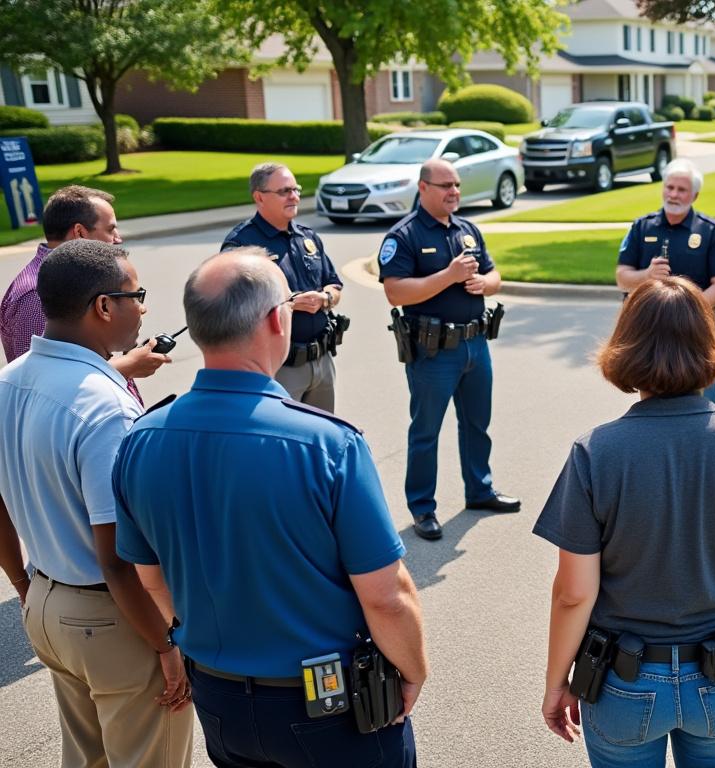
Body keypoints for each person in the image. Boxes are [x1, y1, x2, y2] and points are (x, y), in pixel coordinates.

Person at [113, 249, 427, 767]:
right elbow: (387, 596)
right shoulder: (326, 444)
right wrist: (412, 669)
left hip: (219, 698)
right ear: (277, 320)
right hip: (329, 701)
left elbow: (152, 580)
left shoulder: (140, 440)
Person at [536, 277, 715, 768]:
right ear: (708, 343)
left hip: (622, 679)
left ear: (626, 347)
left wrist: (556, 682)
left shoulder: (595, 452)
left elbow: (573, 593)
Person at [0, 239, 193, 767]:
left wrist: (23, 586)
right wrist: (166, 646)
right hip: (113, 619)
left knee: (88, 759)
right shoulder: (105, 407)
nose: (144, 309)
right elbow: (118, 560)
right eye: (137, 296)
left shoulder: (8, 382)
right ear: (104, 306)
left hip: (45, 600)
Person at [379, 157, 521, 541]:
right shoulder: (404, 236)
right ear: (423, 188)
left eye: (456, 185)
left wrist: (485, 284)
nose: (454, 192)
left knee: (477, 424)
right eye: (446, 186)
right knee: (426, 432)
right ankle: (422, 507)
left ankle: (480, 490)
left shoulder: (467, 230)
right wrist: (449, 276)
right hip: (433, 351)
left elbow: (494, 275)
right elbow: (395, 291)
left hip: (476, 344)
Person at [0, 185, 169, 395]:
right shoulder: (37, 295)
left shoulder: (66, 279)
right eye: (110, 229)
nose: (118, 239)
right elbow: (39, 386)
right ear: (80, 232)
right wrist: (127, 366)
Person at [222, 162, 345, 412]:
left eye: (295, 189)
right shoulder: (242, 244)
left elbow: (334, 285)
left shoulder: (307, 237)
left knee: (321, 432)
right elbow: (232, 307)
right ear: (259, 197)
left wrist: (324, 299)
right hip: (279, 368)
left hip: (322, 361)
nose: (294, 197)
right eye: (284, 191)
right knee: (281, 434)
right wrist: (288, 305)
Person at [616, 158, 715, 403]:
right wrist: (646, 276)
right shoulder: (641, 227)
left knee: (706, 404)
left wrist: (685, 311)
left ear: (695, 195)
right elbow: (622, 278)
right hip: (651, 333)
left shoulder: (710, 231)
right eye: (669, 187)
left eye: (681, 190)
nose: (673, 194)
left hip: (698, 333)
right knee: (653, 405)